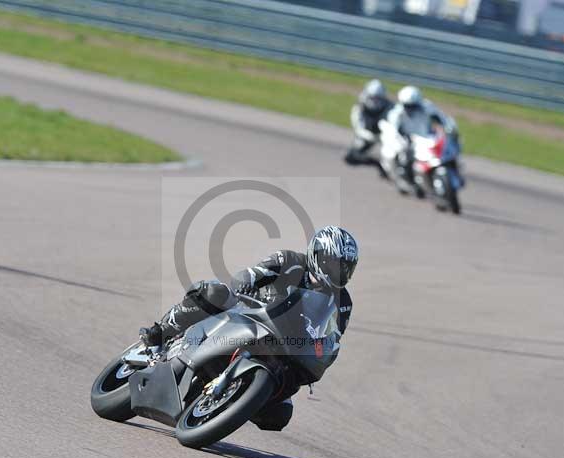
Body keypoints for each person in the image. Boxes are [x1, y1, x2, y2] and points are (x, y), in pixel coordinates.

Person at [140, 225, 359, 431]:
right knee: (215, 293)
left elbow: (331, 335)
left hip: (286, 348)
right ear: (318, 256)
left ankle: (230, 401)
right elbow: (255, 272)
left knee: (279, 416)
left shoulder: (343, 302)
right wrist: (247, 280)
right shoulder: (290, 260)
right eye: (335, 264)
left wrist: (323, 352)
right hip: (248, 314)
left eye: (346, 268)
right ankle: (161, 332)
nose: (340, 272)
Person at [384, 85, 448, 195]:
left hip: (427, 138)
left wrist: (445, 129)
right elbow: (393, 129)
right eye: (408, 106)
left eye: (413, 106)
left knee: (443, 152)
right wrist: (402, 139)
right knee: (405, 157)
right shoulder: (397, 112)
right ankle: (410, 181)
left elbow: (442, 119)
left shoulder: (428, 107)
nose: (411, 109)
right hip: (409, 140)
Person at [344, 79, 393, 176]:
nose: (375, 101)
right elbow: (358, 127)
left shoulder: (390, 106)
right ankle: (377, 164)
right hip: (368, 134)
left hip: (386, 135)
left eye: (378, 98)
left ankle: (391, 169)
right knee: (350, 157)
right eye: (373, 98)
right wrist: (371, 136)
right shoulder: (359, 106)